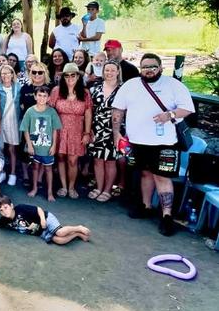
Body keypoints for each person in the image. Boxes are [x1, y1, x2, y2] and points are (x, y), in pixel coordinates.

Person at [112, 53, 195, 236]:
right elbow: (118, 109)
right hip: (137, 141)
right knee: (144, 174)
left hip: (164, 142)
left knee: (162, 177)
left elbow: (188, 108)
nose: (148, 70)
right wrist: (117, 132)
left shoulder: (174, 85)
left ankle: (167, 216)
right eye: (145, 67)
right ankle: (146, 206)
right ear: (140, 68)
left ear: (160, 68)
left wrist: (170, 115)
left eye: (152, 67)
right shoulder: (130, 85)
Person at [49, 63, 93, 199]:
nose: (69, 78)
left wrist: (87, 133)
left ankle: (72, 187)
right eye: (66, 75)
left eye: (72, 75)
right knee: (61, 158)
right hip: (60, 129)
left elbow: (88, 113)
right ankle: (63, 186)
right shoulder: (56, 90)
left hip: (77, 130)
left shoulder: (85, 93)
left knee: (73, 160)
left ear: (78, 77)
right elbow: (50, 110)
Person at [0, 195, 91, 245]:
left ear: (11, 205)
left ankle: (78, 227)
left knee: (60, 232)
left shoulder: (20, 208)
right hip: (41, 233)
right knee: (58, 240)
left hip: (45, 219)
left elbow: (38, 209)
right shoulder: (5, 220)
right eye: (1, 210)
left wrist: (42, 220)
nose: (4, 212)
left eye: (5, 207)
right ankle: (77, 234)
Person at [88, 61, 122, 203]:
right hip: (97, 127)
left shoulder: (122, 90)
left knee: (110, 161)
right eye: (106, 70)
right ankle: (99, 186)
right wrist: (89, 128)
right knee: (97, 159)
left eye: (112, 70)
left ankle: (107, 189)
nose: (109, 73)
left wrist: (118, 132)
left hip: (113, 128)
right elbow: (90, 109)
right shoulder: (95, 88)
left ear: (118, 72)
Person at [20, 85, 62, 201]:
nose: (42, 98)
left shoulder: (51, 112)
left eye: (44, 96)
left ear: (48, 98)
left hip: (47, 147)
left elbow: (55, 129)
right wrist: (29, 144)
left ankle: (49, 192)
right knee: (35, 167)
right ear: (35, 96)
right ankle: (34, 188)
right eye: (39, 95)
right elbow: (25, 129)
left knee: (48, 169)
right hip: (35, 146)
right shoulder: (30, 111)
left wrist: (54, 145)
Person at [18, 61, 52, 186]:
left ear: (45, 73)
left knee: (42, 151)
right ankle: (27, 176)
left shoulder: (50, 88)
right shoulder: (25, 88)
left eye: (40, 72)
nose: (37, 75)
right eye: (34, 72)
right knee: (25, 150)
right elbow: (21, 106)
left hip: (44, 126)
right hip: (28, 124)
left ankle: (39, 179)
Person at [0, 64, 21, 186]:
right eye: (3, 73)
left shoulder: (18, 87)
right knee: (1, 149)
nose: (5, 75)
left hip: (14, 122)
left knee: (12, 149)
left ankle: (13, 173)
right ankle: (2, 172)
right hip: (2, 122)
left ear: (12, 74)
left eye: (8, 73)